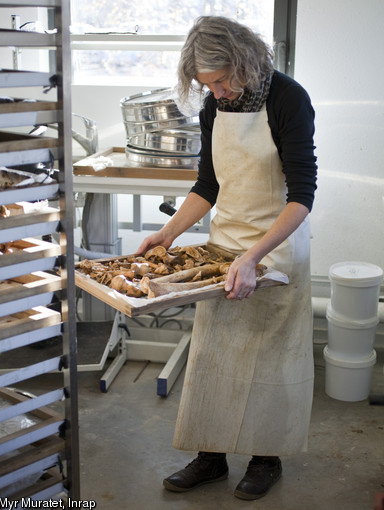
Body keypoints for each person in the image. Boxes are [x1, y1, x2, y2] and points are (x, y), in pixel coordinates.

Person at [136, 15, 317, 501]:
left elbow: (303, 194)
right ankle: (210, 456)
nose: (214, 92)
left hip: (275, 252)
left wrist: (254, 256)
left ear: (243, 62)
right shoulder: (215, 108)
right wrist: (168, 234)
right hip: (224, 247)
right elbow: (208, 185)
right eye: (205, 85)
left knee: (269, 363)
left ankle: (264, 458)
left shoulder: (287, 99)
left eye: (219, 81)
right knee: (213, 358)